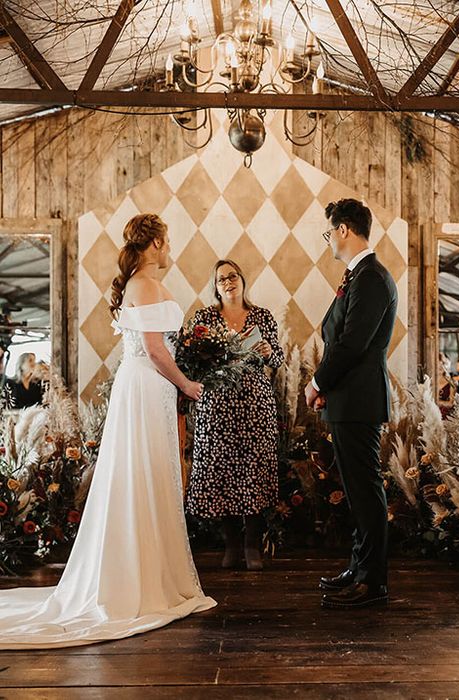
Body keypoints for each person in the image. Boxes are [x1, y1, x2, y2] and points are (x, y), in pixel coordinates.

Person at [0, 213, 216, 648]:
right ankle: (142, 581)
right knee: (145, 474)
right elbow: (156, 350)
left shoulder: (136, 285)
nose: (168, 249)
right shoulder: (148, 285)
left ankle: (138, 568)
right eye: (166, 240)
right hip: (147, 383)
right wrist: (187, 384)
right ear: (154, 243)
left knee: (137, 473)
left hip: (137, 386)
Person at [304, 198, 397, 610]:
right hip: (348, 398)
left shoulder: (372, 278)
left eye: (330, 232)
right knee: (357, 490)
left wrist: (317, 381)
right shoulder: (358, 275)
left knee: (365, 490)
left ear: (344, 229)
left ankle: (372, 582)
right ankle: (358, 567)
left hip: (359, 399)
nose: (329, 241)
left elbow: (352, 342)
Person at [186, 259, 284, 571]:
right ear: (215, 288)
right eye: (221, 280)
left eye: (232, 276)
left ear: (242, 280)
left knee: (253, 471)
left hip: (255, 404)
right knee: (222, 473)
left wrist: (269, 352)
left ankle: (252, 545)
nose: (228, 282)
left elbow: (278, 359)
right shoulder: (204, 318)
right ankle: (230, 544)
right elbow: (191, 359)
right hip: (217, 405)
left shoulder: (262, 316)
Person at [436, 352, 456, 418]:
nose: (440, 366)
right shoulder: (428, 381)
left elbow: (451, 403)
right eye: (438, 365)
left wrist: (437, 402)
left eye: (443, 364)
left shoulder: (451, 383)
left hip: (445, 416)